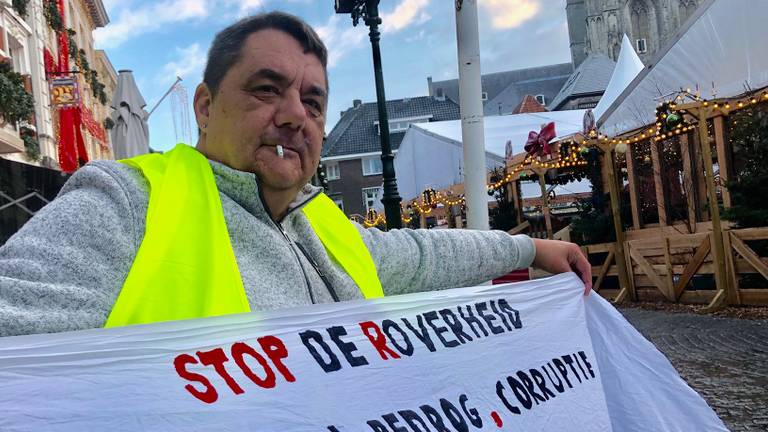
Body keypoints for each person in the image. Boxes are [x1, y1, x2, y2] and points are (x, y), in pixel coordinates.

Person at [0, 12, 591, 337]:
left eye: (313, 102)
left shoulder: (323, 225)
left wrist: (528, 247)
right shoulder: (127, 201)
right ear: (204, 107)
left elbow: (420, 254)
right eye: (266, 90)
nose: (294, 117)